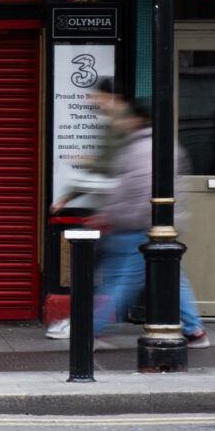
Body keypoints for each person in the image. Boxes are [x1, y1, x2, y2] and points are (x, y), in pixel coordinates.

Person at [91, 98, 209, 348]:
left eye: (124, 118)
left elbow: (143, 192)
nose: (119, 122)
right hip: (152, 227)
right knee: (174, 279)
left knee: (122, 280)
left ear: (136, 120)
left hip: (139, 228)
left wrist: (115, 217)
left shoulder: (145, 148)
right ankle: (194, 329)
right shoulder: (153, 145)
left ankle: (91, 329)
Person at [46, 79, 130, 338]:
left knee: (117, 277)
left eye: (98, 97)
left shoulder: (123, 126)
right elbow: (106, 166)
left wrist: (68, 195)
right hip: (124, 213)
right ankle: (195, 328)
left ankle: (85, 325)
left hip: (121, 214)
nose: (92, 101)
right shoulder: (116, 126)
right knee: (158, 273)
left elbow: (108, 172)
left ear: (112, 97)